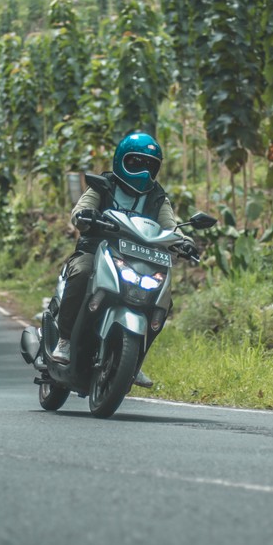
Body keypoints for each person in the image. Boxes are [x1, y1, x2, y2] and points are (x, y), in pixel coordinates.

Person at [49, 132, 197, 389]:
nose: (143, 171)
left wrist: (184, 242)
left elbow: (170, 227)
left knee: (163, 301)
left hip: (139, 259)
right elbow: (80, 210)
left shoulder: (157, 196)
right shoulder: (103, 185)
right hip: (96, 250)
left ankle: (135, 360)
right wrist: (85, 216)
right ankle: (65, 340)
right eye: (136, 163)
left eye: (150, 165)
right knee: (82, 273)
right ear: (121, 160)